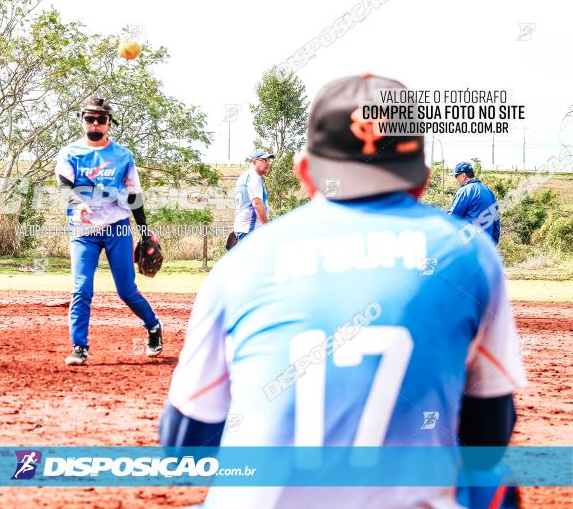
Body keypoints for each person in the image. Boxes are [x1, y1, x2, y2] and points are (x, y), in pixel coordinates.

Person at [159, 74, 525, 508]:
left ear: (305, 173)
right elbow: (490, 433)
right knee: (496, 487)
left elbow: (184, 446)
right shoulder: (469, 255)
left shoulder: (244, 261)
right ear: (422, 178)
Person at [55, 98, 162, 366]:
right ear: (81, 120)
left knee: (126, 291)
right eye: (89, 118)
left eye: (100, 119)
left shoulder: (123, 156)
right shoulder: (70, 153)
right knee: (81, 289)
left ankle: (153, 326)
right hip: (83, 229)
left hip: (117, 227)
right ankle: (79, 347)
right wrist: (77, 203)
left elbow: (135, 196)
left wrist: (145, 233)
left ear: (108, 124)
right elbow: (64, 187)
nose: (94, 123)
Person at [448, 161, 501, 244]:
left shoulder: (465, 191)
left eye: (456, 176)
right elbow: (496, 220)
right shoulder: (489, 191)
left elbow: (452, 217)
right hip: (486, 244)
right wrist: (493, 243)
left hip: (469, 244)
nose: (456, 179)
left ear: (463, 175)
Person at [233, 150, 274, 242]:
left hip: (244, 228)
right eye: (264, 160)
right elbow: (257, 204)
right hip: (251, 229)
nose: (268, 163)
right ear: (254, 161)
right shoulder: (254, 176)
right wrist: (268, 227)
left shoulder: (244, 176)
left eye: (269, 160)